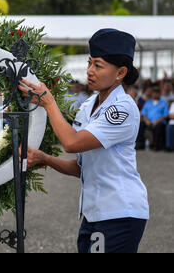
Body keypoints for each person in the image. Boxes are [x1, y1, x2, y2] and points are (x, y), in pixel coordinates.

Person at [19, 28, 149, 253]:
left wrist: (49, 103)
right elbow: (82, 168)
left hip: (119, 212)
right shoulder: (89, 105)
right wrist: (45, 158)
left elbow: (72, 143)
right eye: (89, 63)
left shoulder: (123, 108)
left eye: (98, 65)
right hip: (95, 213)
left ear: (120, 73)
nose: (89, 71)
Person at [137, 86, 169, 151]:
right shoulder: (148, 102)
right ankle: (140, 144)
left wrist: (157, 121)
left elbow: (165, 115)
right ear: (152, 94)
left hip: (159, 122)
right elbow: (143, 113)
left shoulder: (164, 103)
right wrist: (146, 121)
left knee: (159, 126)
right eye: (154, 92)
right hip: (148, 121)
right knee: (141, 124)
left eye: (157, 93)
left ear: (160, 94)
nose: (156, 94)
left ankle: (156, 145)